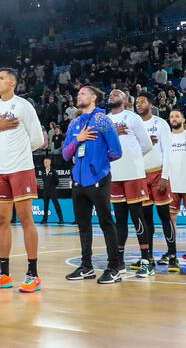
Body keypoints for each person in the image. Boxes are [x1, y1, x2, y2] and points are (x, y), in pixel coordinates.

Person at [0, 68, 44, 293]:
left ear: (13, 83)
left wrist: (20, 155)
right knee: (2, 220)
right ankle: (4, 273)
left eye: (1, 78)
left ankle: (32, 274)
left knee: (26, 218)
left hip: (21, 169)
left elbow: (38, 139)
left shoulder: (24, 106)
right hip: (1, 171)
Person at [62, 86, 122, 283]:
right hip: (78, 182)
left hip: (98, 179)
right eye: (78, 93)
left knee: (106, 223)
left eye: (83, 93)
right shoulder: (74, 124)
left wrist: (97, 163)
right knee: (84, 226)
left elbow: (116, 151)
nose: (78, 95)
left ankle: (114, 267)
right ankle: (86, 267)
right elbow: (65, 154)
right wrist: (78, 141)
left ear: (94, 97)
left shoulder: (102, 120)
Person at [107, 89, 153, 276]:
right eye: (110, 95)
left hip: (133, 174)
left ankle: (146, 261)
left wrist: (133, 159)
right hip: (114, 175)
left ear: (125, 101)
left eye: (116, 94)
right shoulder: (105, 120)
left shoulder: (133, 118)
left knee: (137, 216)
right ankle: (119, 262)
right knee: (120, 220)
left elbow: (147, 145)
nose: (112, 96)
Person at [134, 93, 179, 271]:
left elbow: (168, 151)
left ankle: (173, 256)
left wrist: (165, 176)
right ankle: (148, 257)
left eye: (142, 101)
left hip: (158, 174)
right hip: (140, 176)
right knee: (146, 220)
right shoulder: (134, 125)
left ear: (151, 104)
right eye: (137, 102)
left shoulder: (160, 124)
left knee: (164, 216)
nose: (139, 104)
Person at [168, 109, 186, 260]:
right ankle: (172, 251)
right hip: (171, 184)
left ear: (183, 119)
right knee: (171, 219)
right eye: (171, 116)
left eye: (177, 116)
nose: (174, 118)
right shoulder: (165, 138)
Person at [39, 158, 63, 225]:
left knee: (56, 205)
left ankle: (61, 219)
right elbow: (44, 181)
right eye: (44, 162)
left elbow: (57, 181)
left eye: (46, 162)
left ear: (50, 162)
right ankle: (44, 220)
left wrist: (52, 187)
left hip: (52, 191)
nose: (45, 163)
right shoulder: (43, 172)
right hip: (45, 192)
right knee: (45, 206)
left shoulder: (54, 171)